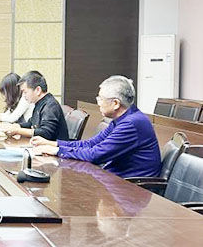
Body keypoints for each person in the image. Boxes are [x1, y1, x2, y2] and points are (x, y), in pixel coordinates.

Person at [31, 76, 161, 178]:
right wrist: (52, 144)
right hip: (116, 180)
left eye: (101, 99)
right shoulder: (122, 119)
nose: (98, 103)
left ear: (116, 103)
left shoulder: (131, 124)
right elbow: (91, 143)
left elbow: (95, 154)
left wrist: (57, 151)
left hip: (131, 189)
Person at [3, 71, 69, 141]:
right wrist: (17, 126)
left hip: (54, 146)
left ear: (38, 90)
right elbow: (32, 123)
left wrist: (18, 131)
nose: (24, 96)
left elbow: (46, 133)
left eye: (25, 92)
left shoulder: (50, 105)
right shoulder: (40, 103)